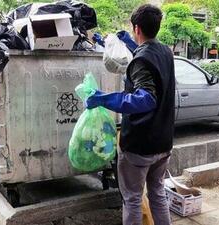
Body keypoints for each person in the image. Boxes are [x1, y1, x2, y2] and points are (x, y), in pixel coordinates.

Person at [86, 4, 175, 225]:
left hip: (140, 146)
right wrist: (125, 43)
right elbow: (149, 66)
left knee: (133, 199)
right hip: (163, 143)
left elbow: (146, 98)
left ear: (136, 27)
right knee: (157, 194)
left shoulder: (141, 60)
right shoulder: (165, 51)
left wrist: (104, 98)